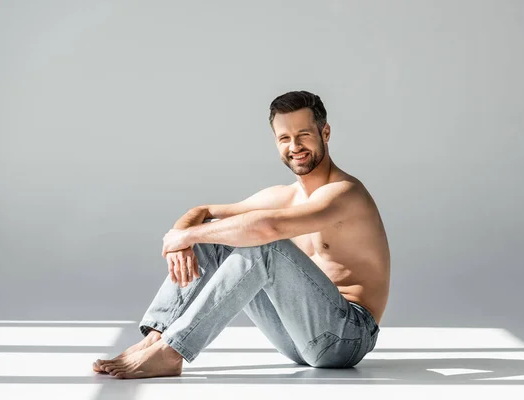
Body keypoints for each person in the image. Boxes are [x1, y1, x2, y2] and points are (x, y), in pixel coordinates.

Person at [92, 90, 391, 379]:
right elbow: (204, 211)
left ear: (324, 133)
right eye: (284, 138)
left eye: (304, 135)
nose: (295, 146)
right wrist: (182, 237)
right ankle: (156, 339)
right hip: (297, 338)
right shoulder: (282, 196)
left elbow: (268, 229)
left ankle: (173, 352)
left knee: (262, 244)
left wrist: (184, 237)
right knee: (215, 239)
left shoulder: (345, 193)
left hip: (348, 337)